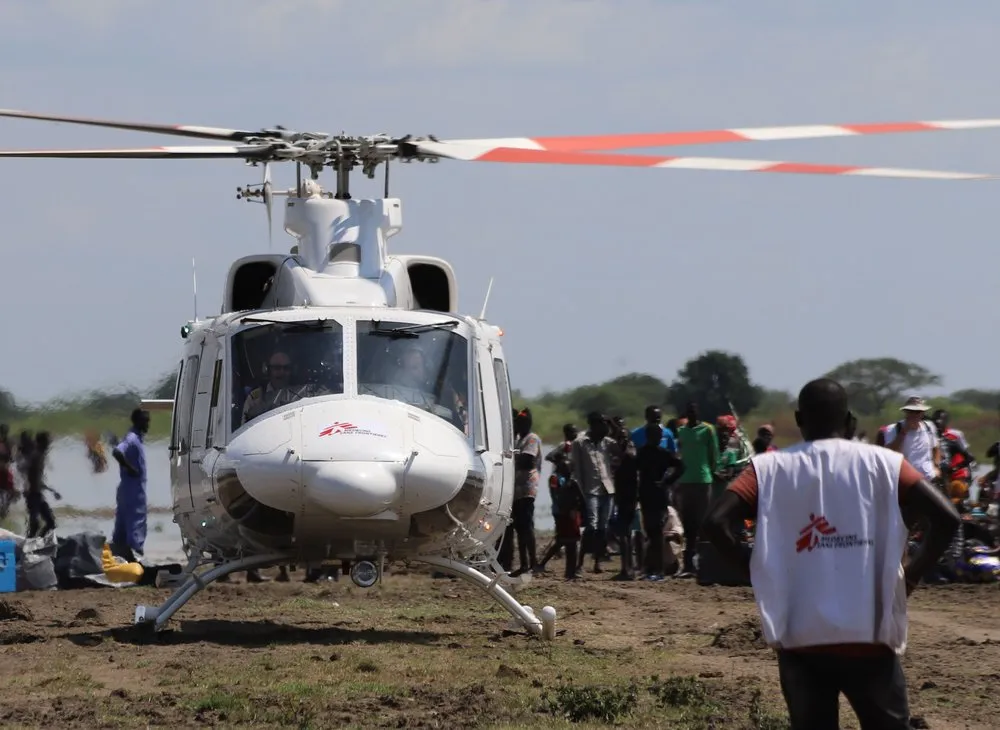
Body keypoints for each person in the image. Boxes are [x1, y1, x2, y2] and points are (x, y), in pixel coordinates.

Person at [702, 378, 960, 730]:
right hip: (869, 635)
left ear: (799, 419)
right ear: (851, 422)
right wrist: (912, 575)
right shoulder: (886, 464)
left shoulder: (768, 469)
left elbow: (716, 523)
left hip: (801, 638)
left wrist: (756, 571)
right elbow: (946, 518)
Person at [674, 403, 719, 578]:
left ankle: (703, 564)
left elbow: (713, 454)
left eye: (694, 411)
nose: (692, 414)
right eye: (689, 412)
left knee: (702, 524)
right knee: (688, 525)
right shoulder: (682, 431)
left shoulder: (707, 430)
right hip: (685, 481)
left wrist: (711, 471)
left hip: (703, 480)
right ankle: (687, 565)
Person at [635, 423, 685, 579]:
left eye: (659, 436)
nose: (658, 439)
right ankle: (650, 568)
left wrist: (667, 481)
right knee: (650, 532)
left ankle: (659, 570)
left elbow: (681, 466)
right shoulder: (642, 453)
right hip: (646, 495)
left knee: (657, 532)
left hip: (659, 496)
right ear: (649, 436)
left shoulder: (664, 453)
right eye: (656, 436)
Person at [570, 411, 617, 574]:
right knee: (592, 526)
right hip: (590, 490)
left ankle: (597, 562)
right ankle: (580, 563)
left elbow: (622, 447)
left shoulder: (607, 442)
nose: (606, 428)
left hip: (608, 488)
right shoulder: (580, 443)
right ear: (594, 425)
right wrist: (578, 493)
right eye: (603, 424)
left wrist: (614, 425)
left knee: (603, 528)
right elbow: (576, 469)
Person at [242, 350, 327, 425]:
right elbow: (244, 427)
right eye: (277, 368)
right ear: (267, 370)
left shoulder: (304, 392)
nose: (282, 372)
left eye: (286, 368)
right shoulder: (255, 398)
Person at [112, 409, 150, 561]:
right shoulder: (132, 438)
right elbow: (117, 452)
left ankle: (118, 558)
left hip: (126, 490)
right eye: (145, 421)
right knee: (136, 523)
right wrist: (130, 468)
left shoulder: (135, 438)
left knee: (121, 526)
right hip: (134, 490)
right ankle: (136, 558)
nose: (148, 424)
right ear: (138, 421)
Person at [510, 408, 541, 576]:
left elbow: (527, 460)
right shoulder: (518, 441)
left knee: (527, 526)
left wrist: (510, 457)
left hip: (528, 487)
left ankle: (533, 562)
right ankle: (524, 564)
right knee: (520, 527)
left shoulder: (531, 439)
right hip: (517, 488)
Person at [883, 396, 941, 484]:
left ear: (922, 413)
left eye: (917, 412)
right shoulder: (893, 429)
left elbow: (936, 448)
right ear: (906, 412)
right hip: (907, 479)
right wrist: (903, 432)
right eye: (911, 411)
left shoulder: (929, 427)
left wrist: (936, 467)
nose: (914, 415)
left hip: (929, 478)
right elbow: (888, 452)